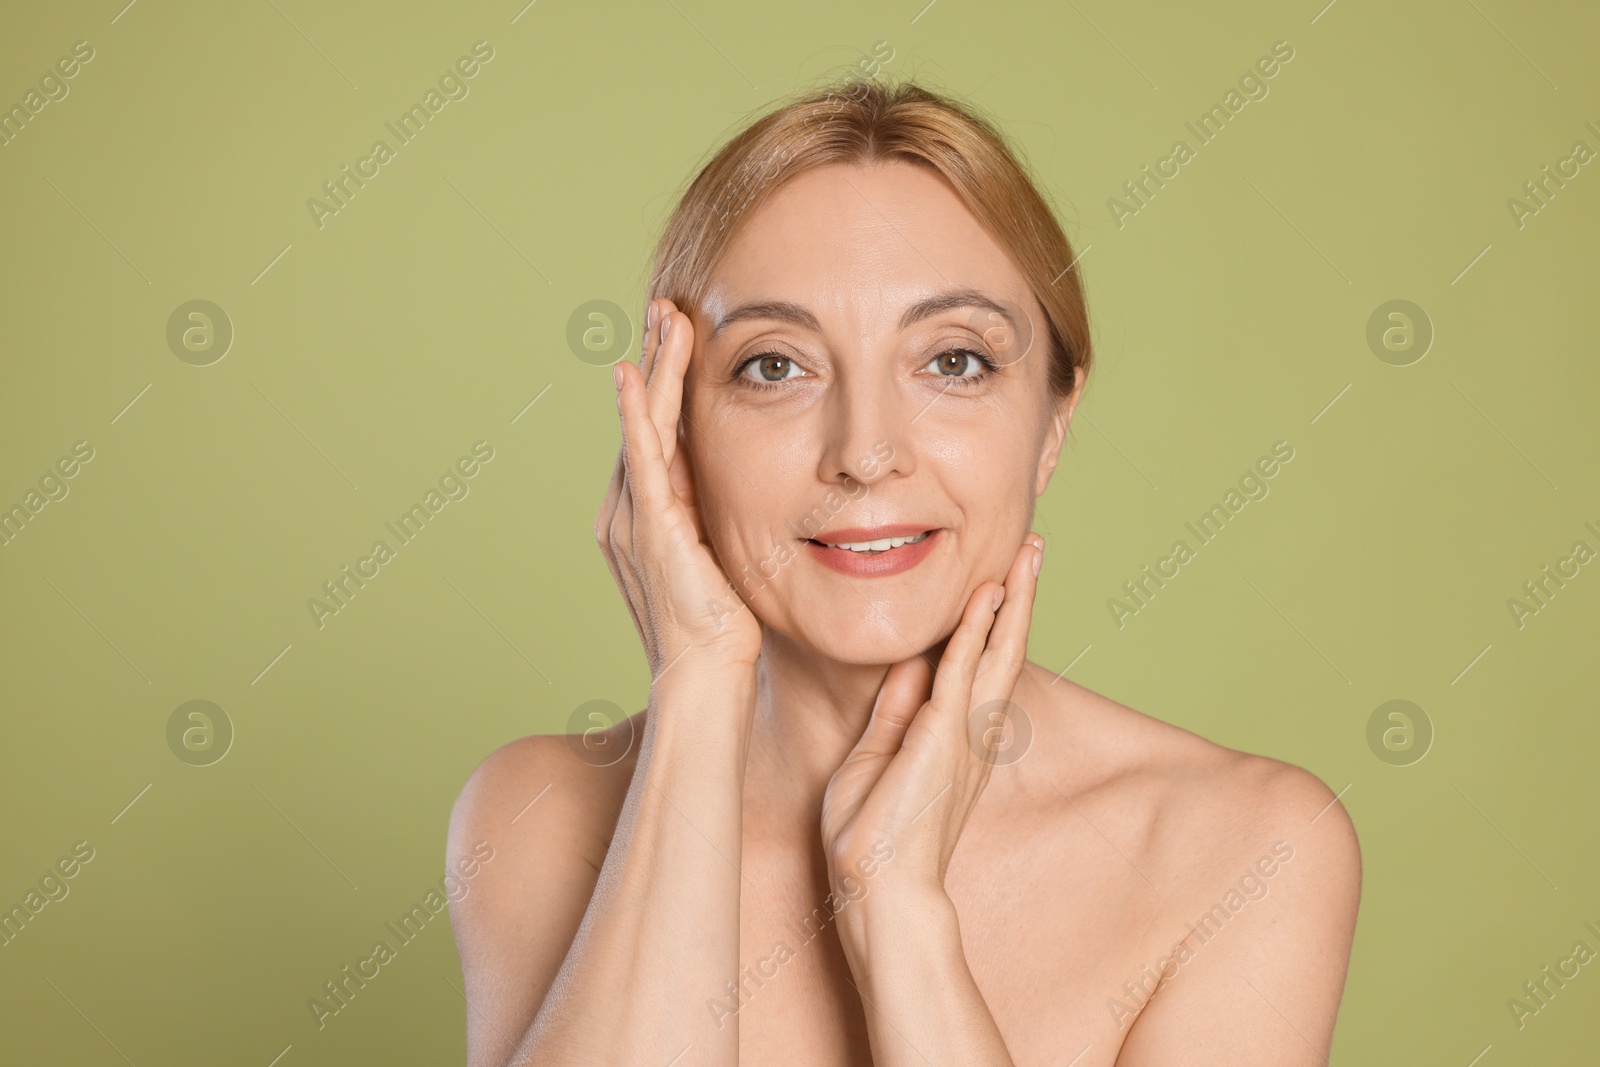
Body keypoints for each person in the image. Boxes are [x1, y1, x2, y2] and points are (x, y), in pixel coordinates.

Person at [446, 77, 1360, 1066]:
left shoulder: (1240, 850)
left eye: (954, 361)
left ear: (1052, 423)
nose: (867, 450)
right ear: (670, 433)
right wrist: (698, 682)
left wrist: (897, 909)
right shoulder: (541, 818)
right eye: (774, 365)